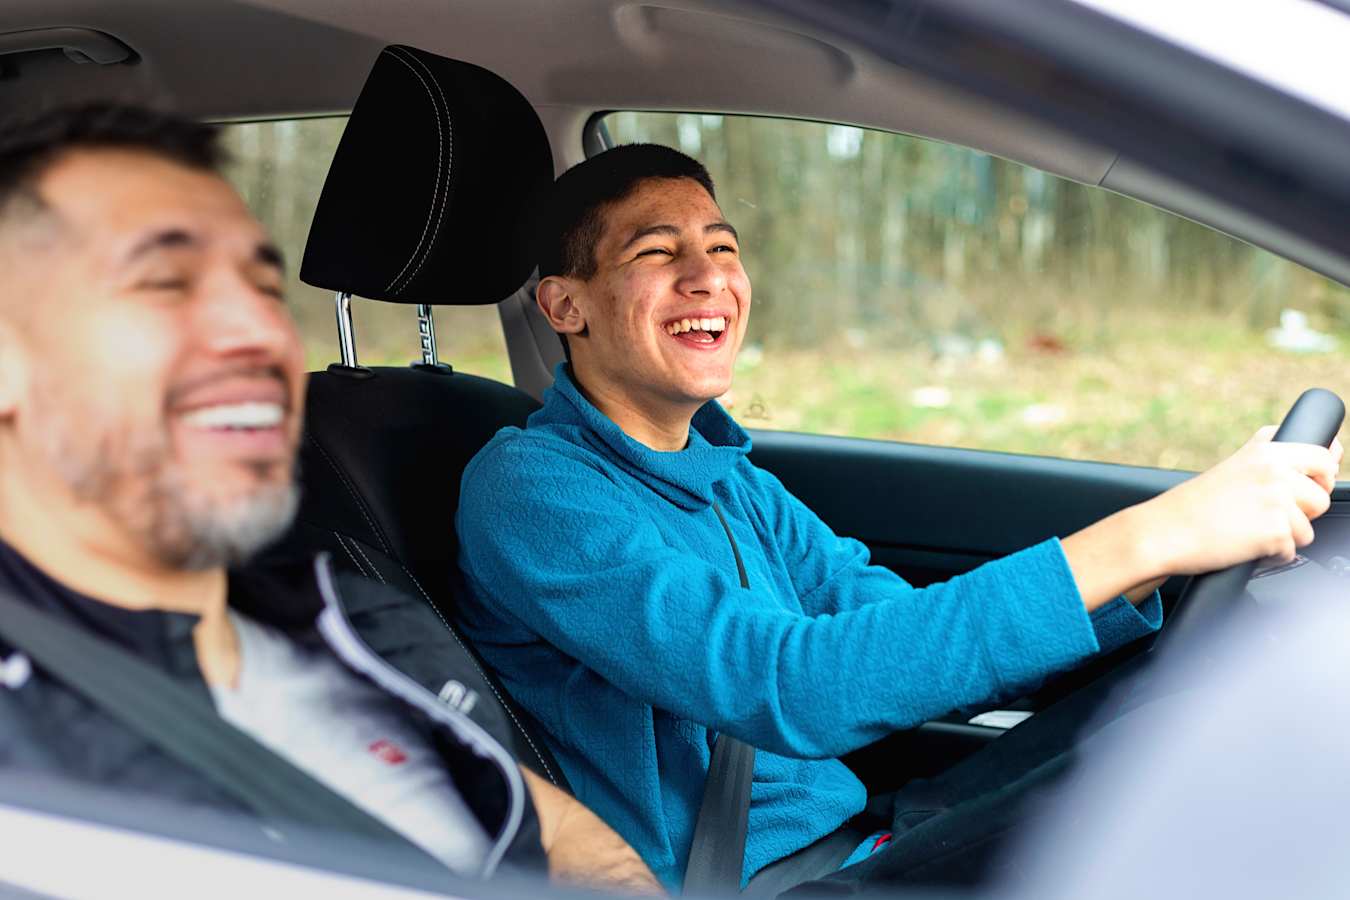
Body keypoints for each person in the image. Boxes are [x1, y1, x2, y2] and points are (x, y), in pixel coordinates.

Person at [455, 143, 1342, 892]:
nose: (709, 278)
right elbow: (793, 686)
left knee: (1191, 712)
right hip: (764, 881)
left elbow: (891, 624)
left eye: (724, 248)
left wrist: (1166, 569)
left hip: (875, 832)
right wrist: (1153, 532)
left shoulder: (726, 476)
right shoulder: (533, 491)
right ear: (566, 305)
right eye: (657, 253)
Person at [0, 103, 659, 895]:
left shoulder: (359, 626)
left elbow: (553, 830)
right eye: (163, 282)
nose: (259, 332)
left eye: (263, 287)